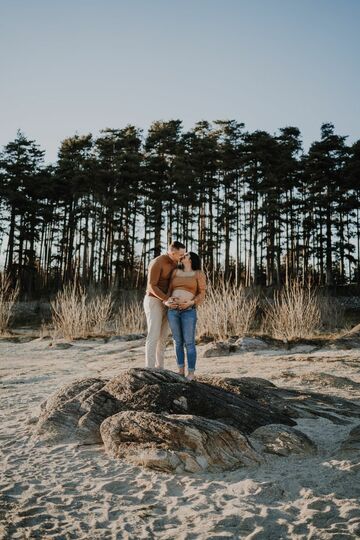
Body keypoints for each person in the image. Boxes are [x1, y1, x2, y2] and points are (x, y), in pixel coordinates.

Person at [144, 241, 186, 368]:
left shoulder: (178, 264)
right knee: (154, 334)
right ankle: (149, 369)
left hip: (168, 301)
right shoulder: (157, 262)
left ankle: (159, 368)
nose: (183, 256)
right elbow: (151, 286)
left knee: (163, 337)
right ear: (172, 253)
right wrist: (165, 299)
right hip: (154, 300)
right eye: (181, 254)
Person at [164, 252, 206, 380]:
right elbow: (169, 291)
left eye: (186, 255)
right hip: (173, 311)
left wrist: (191, 302)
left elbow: (202, 293)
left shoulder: (198, 273)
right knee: (177, 342)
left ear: (191, 259)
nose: (182, 256)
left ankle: (191, 373)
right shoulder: (176, 272)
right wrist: (167, 301)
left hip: (189, 311)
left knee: (189, 342)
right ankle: (181, 371)